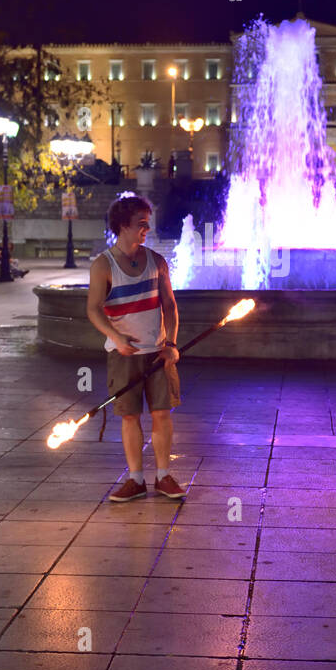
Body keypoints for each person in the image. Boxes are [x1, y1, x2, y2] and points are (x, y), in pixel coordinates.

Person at [87, 195, 184, 502]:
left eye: (147, 222)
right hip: (123, 355)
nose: (146, 228)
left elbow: (169, 304)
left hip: (157, 352)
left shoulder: (156, 261)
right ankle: (136, 479)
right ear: (122, 226)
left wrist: (171, 344)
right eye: (141, 223)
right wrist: (115, 338)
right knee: (129, 416)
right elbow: (93, 309)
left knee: (161, 413)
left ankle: (164, 476)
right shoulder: (104, 265)